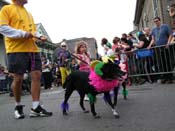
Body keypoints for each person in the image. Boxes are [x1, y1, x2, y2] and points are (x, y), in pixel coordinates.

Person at [0, 0, 52, 119]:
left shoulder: (29, 14)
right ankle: (18, 106)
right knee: (18, 79)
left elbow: (32, 31)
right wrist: (23, 34)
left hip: (32, 49)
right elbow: (2, 28)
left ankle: (36, 107)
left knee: (37, 76)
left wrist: (39, 36)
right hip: (16, 50)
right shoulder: (7, 9)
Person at [148, 16, 173, 84]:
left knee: (167, 62)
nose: (156, 22)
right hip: (158, 48)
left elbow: (170, 35)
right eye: (155, 21)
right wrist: (149, 45)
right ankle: (164, 77)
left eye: (157, 21)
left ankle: (170, 77)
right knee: (160, 63)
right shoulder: (153, 29)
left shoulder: (165, 26)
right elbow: (153, 39)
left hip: (165, 47)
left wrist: (168, 43)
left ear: (160, 20)